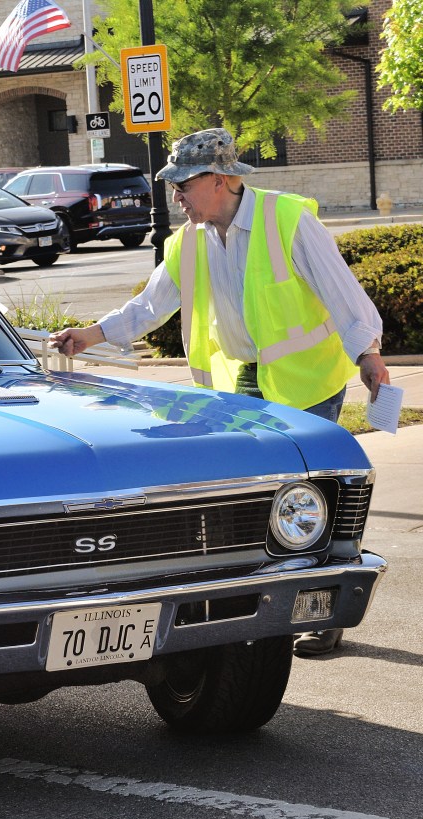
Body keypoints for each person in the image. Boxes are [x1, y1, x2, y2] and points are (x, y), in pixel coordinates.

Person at [50, 127, 391, 659]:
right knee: (258, 501)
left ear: (219, 179)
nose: (176, 196)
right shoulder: (190, 240)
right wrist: (89, 335)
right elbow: (150, 304)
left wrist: (368, 355)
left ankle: (320, 611)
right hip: (242, 385)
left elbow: (342, 292)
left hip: (307, 381)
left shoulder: (286, 220)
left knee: (310, 498)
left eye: (183, 185)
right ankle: (260, 600)